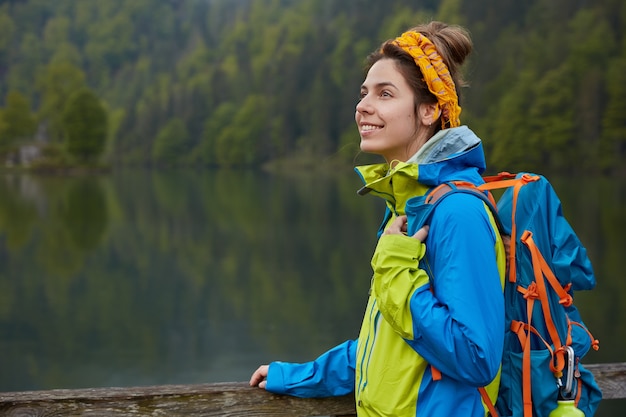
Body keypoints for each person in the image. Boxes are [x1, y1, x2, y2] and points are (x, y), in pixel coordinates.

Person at [250, 21, 506, 417]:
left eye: (385, 94)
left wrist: (394, 271)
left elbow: (476, 358)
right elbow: (390, 341)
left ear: (429, 110)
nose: (363, 105)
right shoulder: (408, 208)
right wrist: (299, 377)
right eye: (364, 93)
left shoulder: (458, 212)